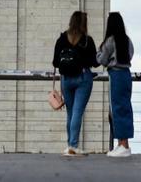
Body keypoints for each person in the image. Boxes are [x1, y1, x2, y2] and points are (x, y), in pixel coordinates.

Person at [52, 10, 98, 156]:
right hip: (82, 78)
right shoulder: (86, 40)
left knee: (70, 113)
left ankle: (70, 145)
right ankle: (73, 145)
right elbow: (94, 62)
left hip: (66, 79)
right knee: (77, 112)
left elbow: (55, 62)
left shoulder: (62, 38)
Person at [97, 11, 134, 158]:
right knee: (125, 107)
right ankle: (123, 144)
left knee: (117, 108)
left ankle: (123, 145)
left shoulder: (110, 40)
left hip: (116, 74)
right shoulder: (127, 40)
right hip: (126, 74)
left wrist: (97, 54)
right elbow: (131, 54)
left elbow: (102, 60)